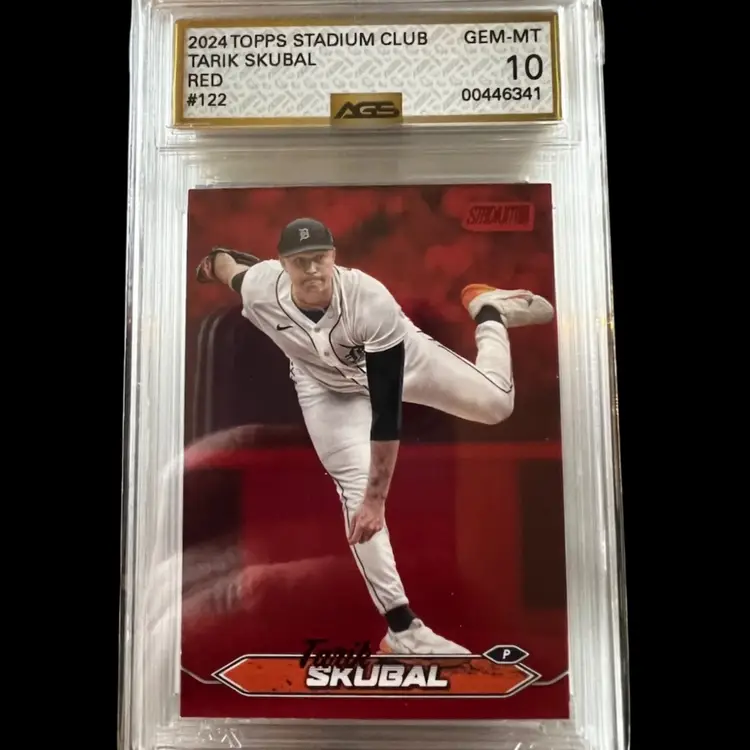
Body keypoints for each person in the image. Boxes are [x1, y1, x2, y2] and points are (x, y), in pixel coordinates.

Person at [195, 217, 554, 655]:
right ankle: (403, 629)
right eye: (300, 261)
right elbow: (230, 268)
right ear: (283, 264)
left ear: (334, 256)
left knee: (496, 405)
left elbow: (386, 413)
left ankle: (490, 312)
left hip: (404, 362)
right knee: (353, 488)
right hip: (324, 387)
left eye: (320, 258)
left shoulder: (368, 300)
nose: (312, 269)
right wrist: (214, 263)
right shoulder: (260, 288)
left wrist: (376, 501)